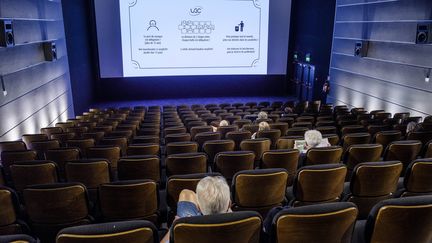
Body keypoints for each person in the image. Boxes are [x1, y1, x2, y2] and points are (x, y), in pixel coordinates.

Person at [160, 176, 232, 243]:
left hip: (191, 229)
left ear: (198, 208)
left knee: (186, 193)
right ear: (229, 204)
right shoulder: (240, 224)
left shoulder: (182, 226)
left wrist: (174, 226)